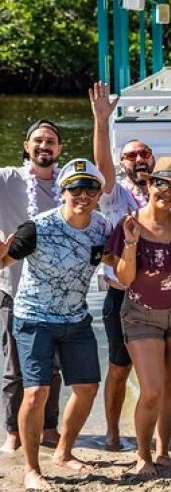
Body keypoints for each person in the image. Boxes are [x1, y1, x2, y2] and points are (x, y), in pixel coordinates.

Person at [1, 159, 111, 491]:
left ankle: (63, 453)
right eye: (75, 188)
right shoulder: (36, 227)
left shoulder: (103, 228)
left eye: (90, 188)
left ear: (98, 193)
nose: (83, 194)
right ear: (63, 192)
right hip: (34, 318)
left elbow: (117, 262)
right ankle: (32, 470)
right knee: (35, 393)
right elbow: (5, 261)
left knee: (88, 388)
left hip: (76, 318)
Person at [104, 157, 171, 476]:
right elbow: (124, 279)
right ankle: (142, 455)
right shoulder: (130, 223)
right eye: (161, 184)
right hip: (142, 314)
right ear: (149, 185)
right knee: (151, 389)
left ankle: (163, 451)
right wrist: (131, 242)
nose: (167, 192)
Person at [90, 81, 158, 450]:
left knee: (159, 369)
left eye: (144, 153)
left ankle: (161, 430)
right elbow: (101, 167)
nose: (139, 159)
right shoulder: (113, 196)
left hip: (159, 297)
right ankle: (113, 433)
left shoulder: (164, 194)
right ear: (122, 164)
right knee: (119, 368)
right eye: (131, 155)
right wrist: (102, 120)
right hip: (120, 296)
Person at [0, 119, 64, 455]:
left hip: (57, 293)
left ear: (59, 150)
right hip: (14, 287)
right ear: (27, 147)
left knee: (52, 366)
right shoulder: (8, 179)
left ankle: (49, 428)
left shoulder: (69, 184)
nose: (44, 146)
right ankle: (13, 431)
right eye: (38, 140)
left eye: (51, 141)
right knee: (14, 367)